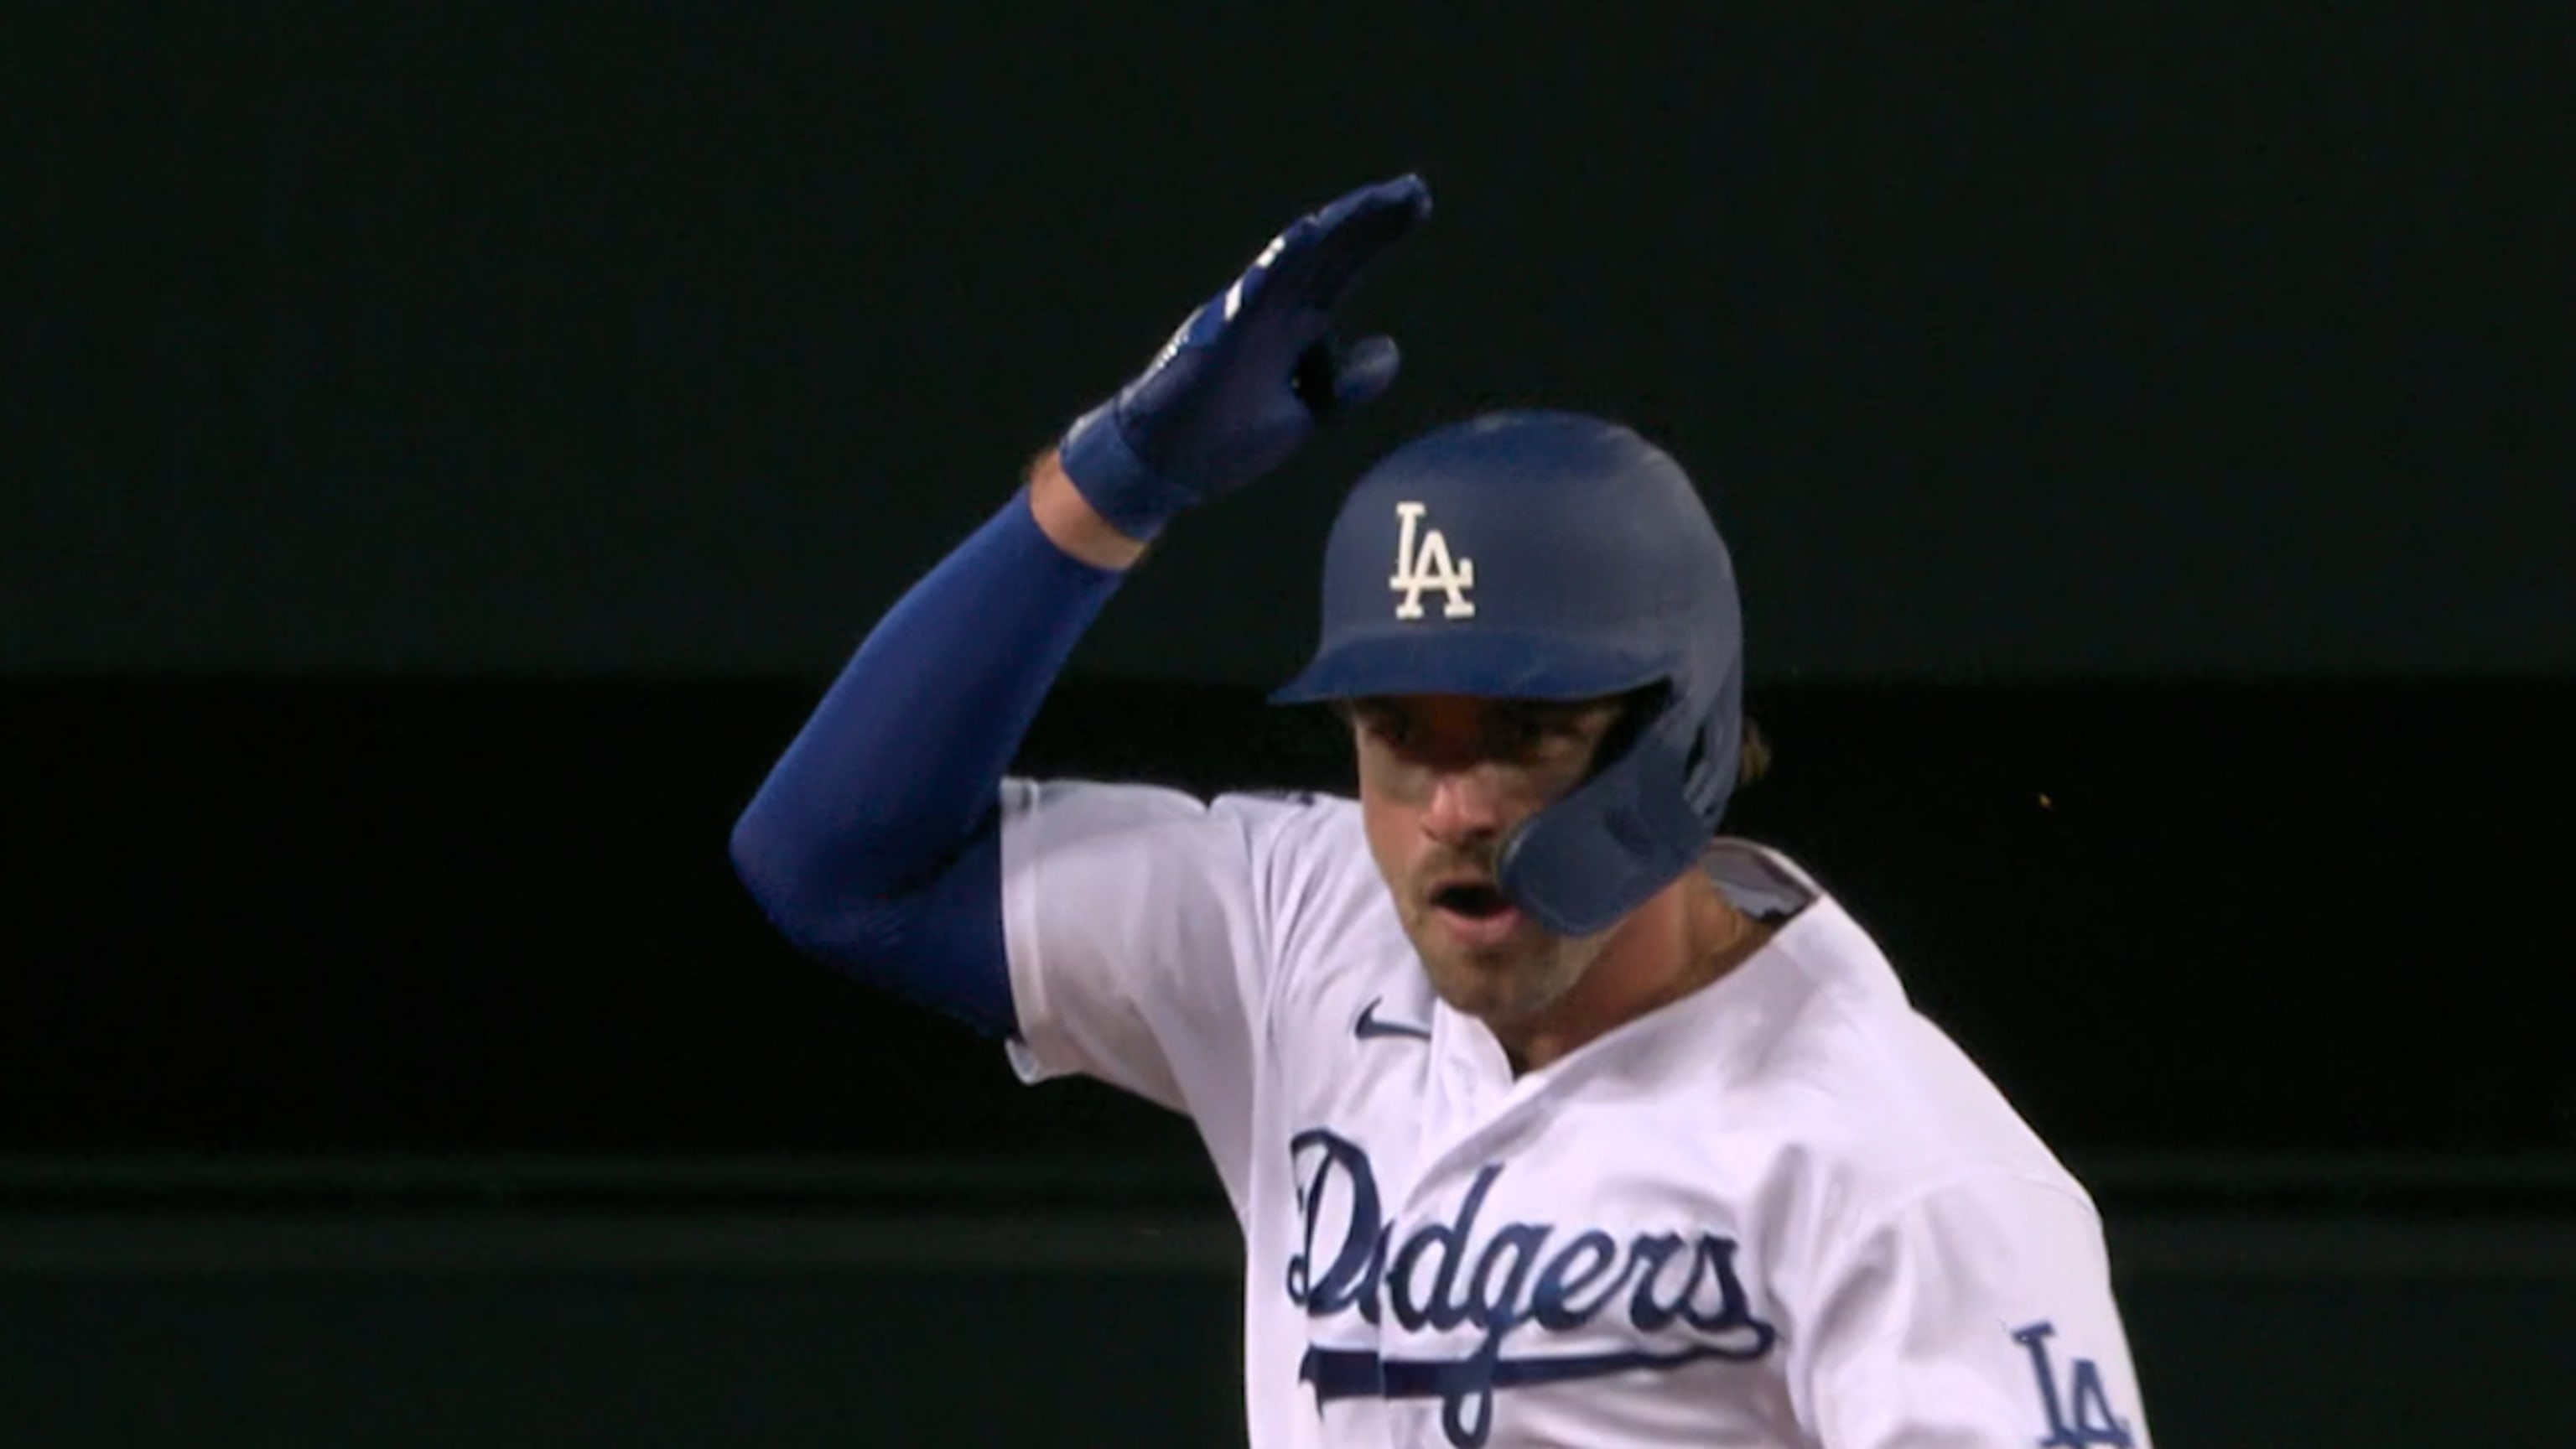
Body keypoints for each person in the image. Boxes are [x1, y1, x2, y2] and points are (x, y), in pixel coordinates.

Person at [730, 175, 2152, 1449]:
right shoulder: (1304, 928)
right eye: (1400, 737)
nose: (1455, 809)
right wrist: (1117, 483)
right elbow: (836, 869)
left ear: (1686, 737)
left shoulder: (1895, 1164)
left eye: (1528, 734)